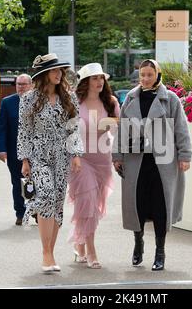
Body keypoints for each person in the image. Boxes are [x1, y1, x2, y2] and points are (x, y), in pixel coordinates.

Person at [112, 59, 192, 271]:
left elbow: (181, 130)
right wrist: (117, 155)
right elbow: (121, 130)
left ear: (157, 74)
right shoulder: (131, 97)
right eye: (142, 75)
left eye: (149, 74)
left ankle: (160, 251)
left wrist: (185, 155)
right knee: (137, 205)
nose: (145, 79)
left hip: (163, 162)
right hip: (136, 161)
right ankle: (138, 244)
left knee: (160, 207)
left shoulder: (170, 99)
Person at [17, 53, 83, 273]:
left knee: (56, 203)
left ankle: (51, 252)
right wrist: (25, 159)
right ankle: (46, 253)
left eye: (60, 71)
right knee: (45, 195)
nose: (59, 74)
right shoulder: (28, 98)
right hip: (38, 154)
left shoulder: (69, 98)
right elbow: (24, 131)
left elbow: (73, 127)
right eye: (55, 70)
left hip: (62, 154)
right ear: (44, 74)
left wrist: (75, 154)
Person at [68, 63, 120, 269]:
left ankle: (79, 244)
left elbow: (120, 127)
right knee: (87, 202)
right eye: (94, 78)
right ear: (86, 81)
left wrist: (110, 124)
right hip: (80, 161)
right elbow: (67, 131)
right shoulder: (74, 102)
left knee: (91, 208)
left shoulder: (110, 102)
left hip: (103, 160)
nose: (99, 82)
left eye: (101, 78)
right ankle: (91, 250)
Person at [0, 74, 33, 226]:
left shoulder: (38, 101)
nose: (21, 87)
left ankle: (37, 212)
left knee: (36, 182)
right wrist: (2, 149)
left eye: (24, 84)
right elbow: (2, 128)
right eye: (18, 84)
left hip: (36, 151)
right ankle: (20, 212)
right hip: (14, 151)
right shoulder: (8, 102)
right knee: (17, 182)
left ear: (31, 85)